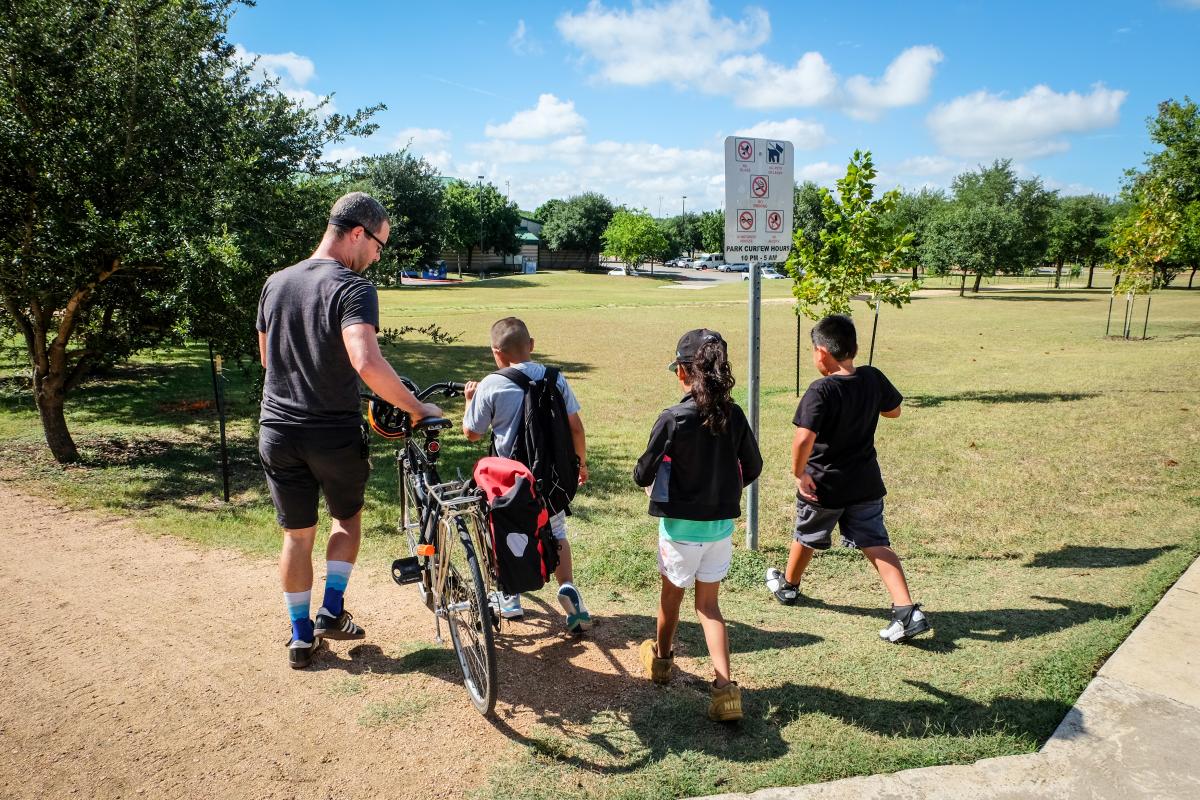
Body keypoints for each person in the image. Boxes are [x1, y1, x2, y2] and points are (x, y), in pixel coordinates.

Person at [257, 192, 442, 669]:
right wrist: (416, 407)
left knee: (296, 537)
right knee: (346, 520)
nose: (378, 256)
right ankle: (331, 611)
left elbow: (267, 359)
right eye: (379, 244)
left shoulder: (275, 283)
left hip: (277, 430)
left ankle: (301, 638)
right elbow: (366, 362)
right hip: (332, 432)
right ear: (358, 232)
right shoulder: (352, 287)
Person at [764, 314, 931, 643]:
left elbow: (802, 439)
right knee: (875, 543)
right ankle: (906, 610)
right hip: (865, 482)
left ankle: (789, 586)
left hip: (824, 484)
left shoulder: (821, 390)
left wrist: (800, 474)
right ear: (853, 348)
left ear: (821, 352)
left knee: (807, 533)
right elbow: (894, 411)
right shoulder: (871, 377)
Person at [633, 329, 762, 722]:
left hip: (679, 530)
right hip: (720, 529)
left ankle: (662, 661)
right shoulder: (734, 414)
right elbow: (753, 466)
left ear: (683, 372)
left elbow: (642, 473)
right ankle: (725, 692)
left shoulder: (673, 418)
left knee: (670, 601)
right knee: (710, 607)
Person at [461, 317, 592, 633]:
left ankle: (510, 597)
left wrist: (470, 401)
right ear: (531, 345)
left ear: (496, 352)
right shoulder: (555, 378)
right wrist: (581, 464)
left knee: (505, 531)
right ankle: (569, 590)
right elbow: (576, 427)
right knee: (556, 529)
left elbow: (472, 434)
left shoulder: (491, 384)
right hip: (552, 477)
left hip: (511, 481)